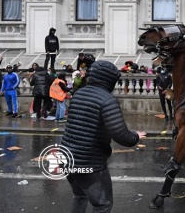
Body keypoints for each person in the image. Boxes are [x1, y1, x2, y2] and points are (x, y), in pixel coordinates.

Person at [61, 60, 146, 212]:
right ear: (110, 80)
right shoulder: (107, 100)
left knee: (80, 196)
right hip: (89, 163)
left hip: (67, 159)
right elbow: (121, 136)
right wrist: (136, 136)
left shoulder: (79, 93)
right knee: (103, 204)